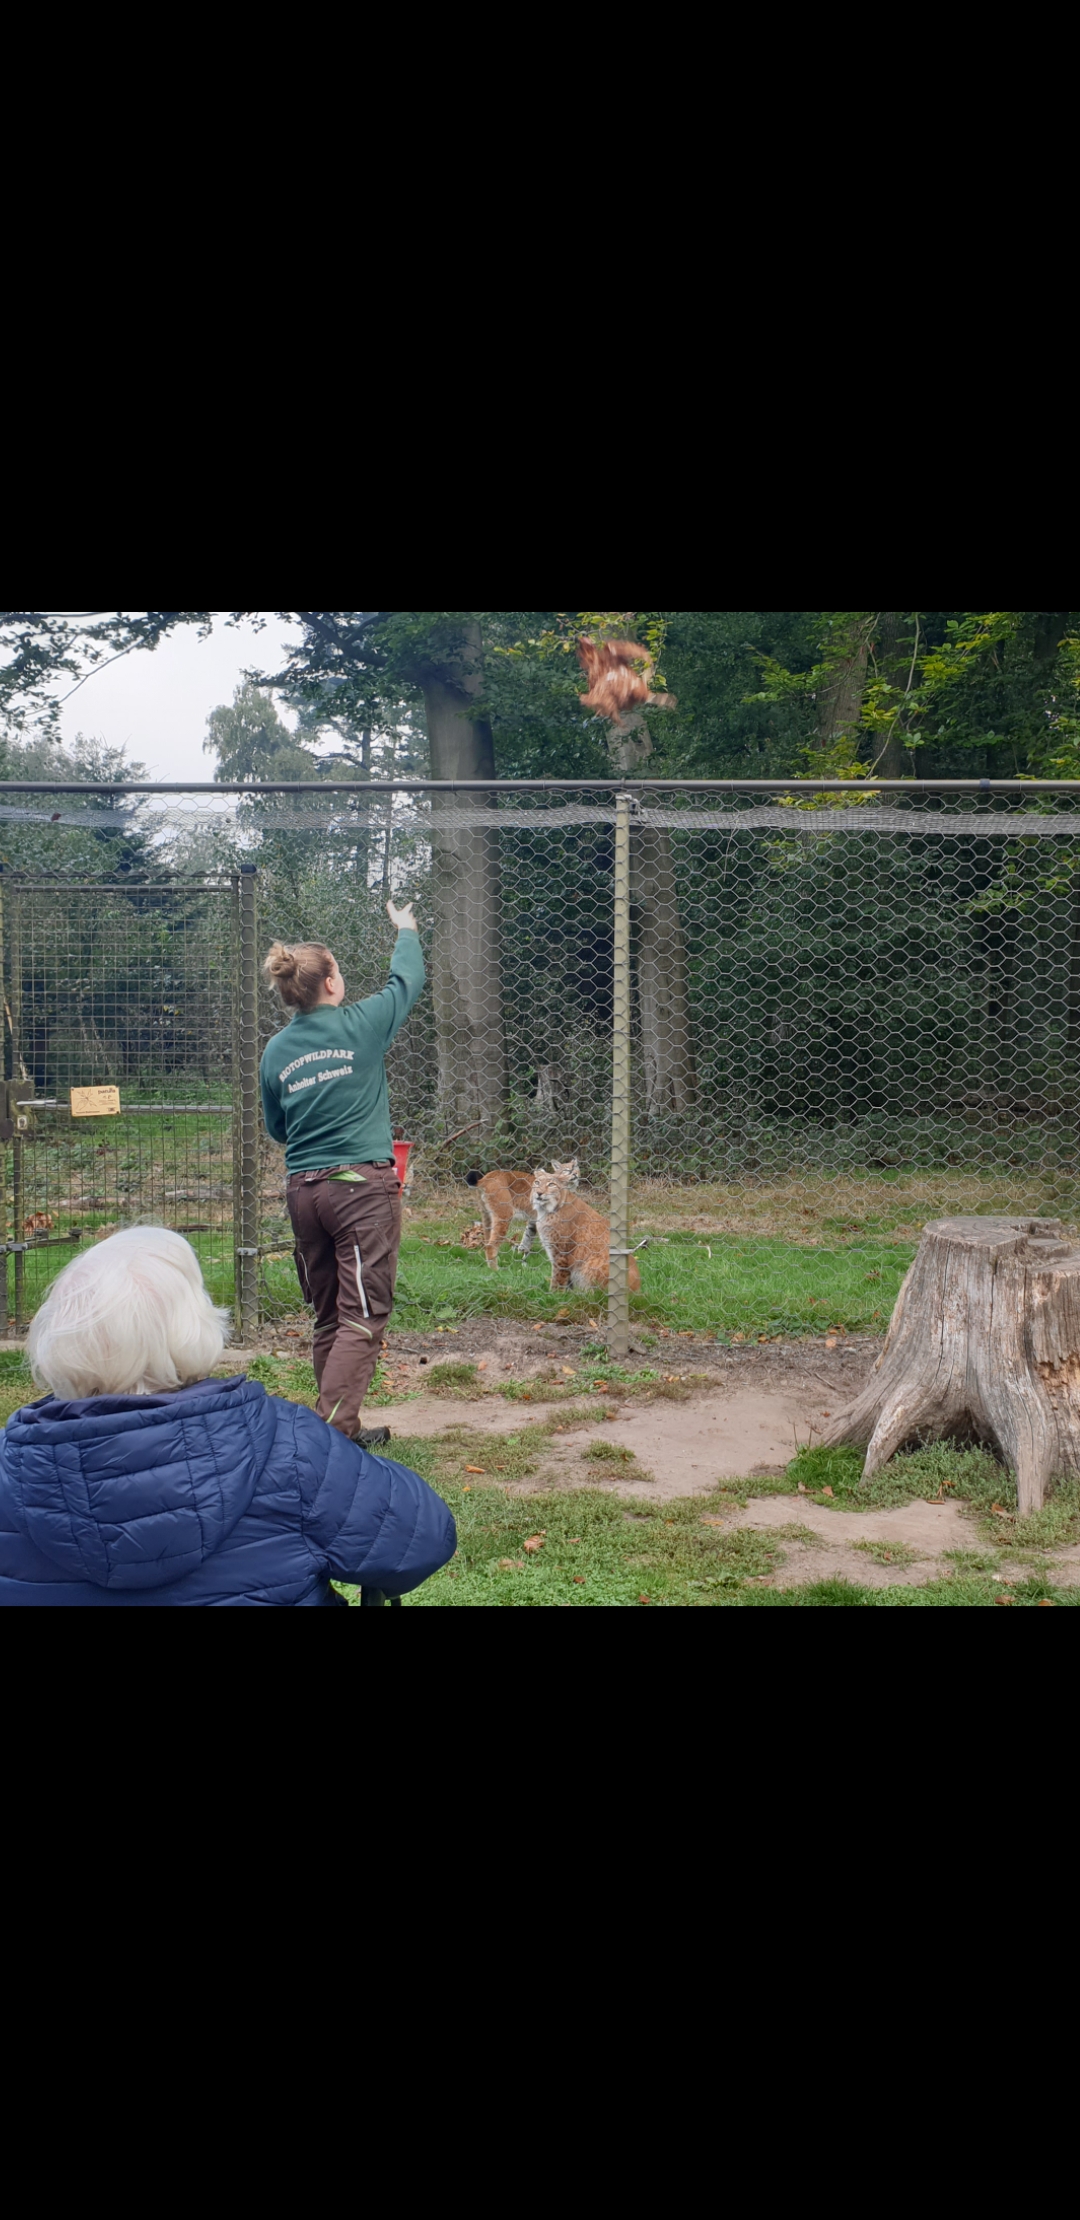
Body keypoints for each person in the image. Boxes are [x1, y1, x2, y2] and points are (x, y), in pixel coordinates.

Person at [0, 1227, 455, 1606]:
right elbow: (421, 1541)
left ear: (55, 1336)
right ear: (194, 1323)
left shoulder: (11, 1470)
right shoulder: (287, 1442)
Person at [260, 901, 425, 1445]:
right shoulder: (363, 1024)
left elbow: (279, 1128)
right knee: (364, 1313)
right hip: (360, 1190)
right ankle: (328, 1440)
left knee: (330, 1313)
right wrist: (405, 929)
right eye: (338, 969)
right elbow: (408, 979)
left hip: (303, 1193)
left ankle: (340, 1431)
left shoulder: (276, 1050)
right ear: (331, 982)